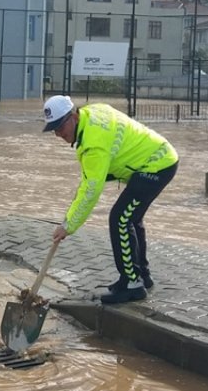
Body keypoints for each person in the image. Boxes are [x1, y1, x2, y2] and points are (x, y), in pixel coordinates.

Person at [44, 95, 178, 304]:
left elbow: (90, 191)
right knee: (131, 218)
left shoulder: (93, 146)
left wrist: (68, 226)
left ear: (73, 117)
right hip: (162, 157)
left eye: (61, 127)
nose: (59, 134)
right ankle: (141, 276)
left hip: (155, 167)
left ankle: (132, 284)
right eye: (54, 130)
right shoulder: (92, 112)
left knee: (119, 219)